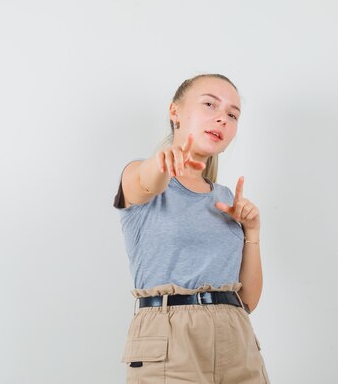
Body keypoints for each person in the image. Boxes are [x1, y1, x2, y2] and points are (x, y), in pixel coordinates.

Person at [112, 73, 271, 384]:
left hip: (235, 337)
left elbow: (248, 301)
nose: (222, 119)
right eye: (210, 104)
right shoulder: (140, 176)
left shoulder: (226, 199)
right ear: (175, 112)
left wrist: (252, 232)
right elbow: (145, 181)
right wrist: (161, 162)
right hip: (170, 338)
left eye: (232, 114)